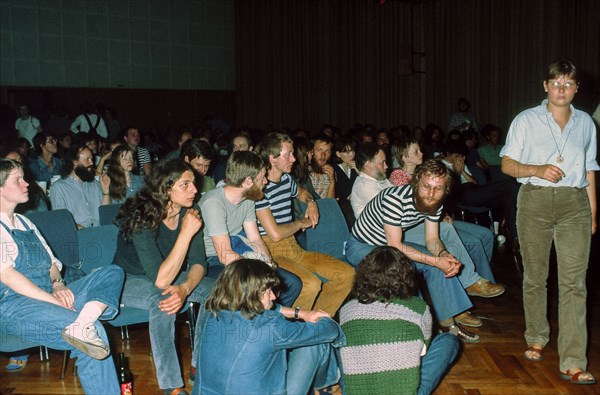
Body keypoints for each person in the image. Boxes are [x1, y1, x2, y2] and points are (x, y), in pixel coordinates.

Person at [500, 59, 598, 385]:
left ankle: (573, 360)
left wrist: (593, 211)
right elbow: (507, 165)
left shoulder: (586, 122)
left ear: (576, 88)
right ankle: (537, 336)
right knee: (536, 276)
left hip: (575, 204)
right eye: (556, 83)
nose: (561, 89)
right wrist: (537, 169)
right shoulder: (526, 120)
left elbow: (589, 169)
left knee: (574, 284)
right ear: (545, 85)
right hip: (535, 200)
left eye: (568, 84)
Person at [345, 160, 506, 342]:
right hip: (361, 246)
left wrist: (443, 256)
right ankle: (417, 328)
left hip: (388, 247)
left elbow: (432, 240)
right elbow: (395, 246)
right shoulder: (394, 200)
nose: (430, 194)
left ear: (445, 190)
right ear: (416, 183)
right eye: (426, 186)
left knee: (438, 263)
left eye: (438, 188)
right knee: (401, 266)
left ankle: (448, 325)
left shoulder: (435, 203)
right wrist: (435, 261)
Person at [0, 158, 124, 393]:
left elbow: (51, 264)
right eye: (18, 180)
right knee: (93, 335)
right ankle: (85, 324)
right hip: (13, 306)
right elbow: (9, 277)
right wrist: (54, 301)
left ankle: (83, 322)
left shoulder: (26, 222)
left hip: (48, 294)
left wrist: (57, 284)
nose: (27, 183)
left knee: (112, 272)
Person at [112, 159, 215, 395]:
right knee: (164, 300)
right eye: (185, 184)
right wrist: (186, 233)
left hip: (167, 272)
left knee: (218, 291)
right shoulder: (141, 215)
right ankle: (171, 385)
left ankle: (198, 366)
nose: (195, 190)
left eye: (194, 184)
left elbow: (198, 262)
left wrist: (185, 289)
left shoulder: (192, 211)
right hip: (127, 278)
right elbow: (160, 281)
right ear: (166, 189)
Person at [193, 259, 345, 395]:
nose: (273, 296)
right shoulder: (271, 327)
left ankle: (324, 385)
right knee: (316, 341)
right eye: (267, 292)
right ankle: (325, 385)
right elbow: (329, 331)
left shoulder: (212, 310)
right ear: (252, 296)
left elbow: (266, 310)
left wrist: (300, 313)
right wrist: (325, 320)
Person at [255, 132, 355, 316]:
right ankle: (292, 328)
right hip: (270, 250)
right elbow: (275, 234)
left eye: (293, 153)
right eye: (288, 154)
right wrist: (303, 221)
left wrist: (311, 202)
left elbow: (302, 192)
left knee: (347, 275)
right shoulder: (260, 187)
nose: (294, 159)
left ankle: (317, 321)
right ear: (272, 158)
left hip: (294, 248)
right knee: (311, 284)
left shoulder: (286, 180)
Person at [340, 246, 459, 395]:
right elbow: (423, 350)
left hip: (355, 391)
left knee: (340, 344)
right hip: (406, 391)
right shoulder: (419, 308)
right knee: (448, 340)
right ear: (406, 276)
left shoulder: (346, 309)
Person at [199, 151, 301, 307]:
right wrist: (258, 271)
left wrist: (269, 263)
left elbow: (255, 239)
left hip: (239, 251)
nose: (266, 181)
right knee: (252, 288)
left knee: (292, 283)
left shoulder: (248, 198)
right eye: (262, 178)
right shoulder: (214, 202)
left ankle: (271, 321)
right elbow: (224, 255)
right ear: (247, 181)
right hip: (211, 260)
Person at [49, 144, 111, 228]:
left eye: (91, 159)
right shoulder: (58, 188)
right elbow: (62, 221)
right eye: (87, 159)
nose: (91, 162)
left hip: (99, 232)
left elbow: (106, 213)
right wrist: (87, 233)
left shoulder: (94, 183)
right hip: (78, 236)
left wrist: (106, 192)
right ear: (75, 162)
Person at [333, 136, 358, 228]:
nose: (352, 155)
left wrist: (358, 170)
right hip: (341, 205)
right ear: (338, 154)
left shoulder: (356, 166)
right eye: (347, 152)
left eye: (353, 151)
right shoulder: (334, 169)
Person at [309, 134, 336, 199]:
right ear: (311, 152)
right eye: (319, 150)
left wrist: (332, 181)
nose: (323, 155)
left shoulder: (330, 172)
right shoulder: (303, 171)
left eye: (327, 151)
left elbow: (330, 203)